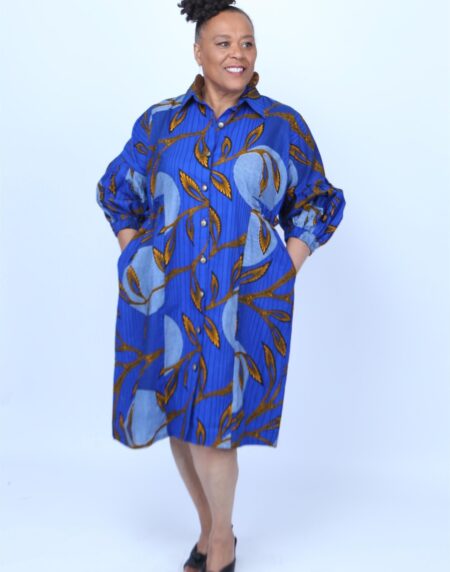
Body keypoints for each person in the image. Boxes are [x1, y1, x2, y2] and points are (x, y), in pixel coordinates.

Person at [96, 1, 346, 570]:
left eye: (247, 42)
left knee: (214, 427)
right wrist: (135, 255)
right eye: (224, 42)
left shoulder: (281, 125)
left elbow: (319, 201)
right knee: (181, 422)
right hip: (167, 296)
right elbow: (119, 190)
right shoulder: (160, 122)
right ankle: (210, 530)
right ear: (198, 52)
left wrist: (285, 265)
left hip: (241, 300)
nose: (238, 53)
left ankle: (223, 544)